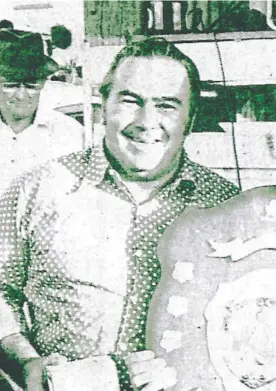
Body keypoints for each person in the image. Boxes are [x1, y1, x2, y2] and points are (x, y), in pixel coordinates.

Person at [0, 37, 239, 391]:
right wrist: (26, 362)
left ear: (191, 119)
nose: (147, 121)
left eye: (167, 105)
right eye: (130, 101)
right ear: (102, 107)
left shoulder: (228, 205)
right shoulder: (35, 190)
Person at [0, 28, 84, 193]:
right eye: (11, 85)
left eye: (32, 86)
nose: (22, 96)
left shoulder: (70, 133)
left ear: (44, 83)